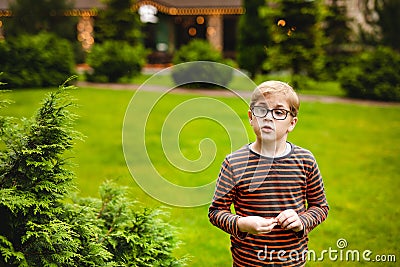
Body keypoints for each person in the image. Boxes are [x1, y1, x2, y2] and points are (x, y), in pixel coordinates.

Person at [208, 81, 329, 266]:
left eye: (279, 112)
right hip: (248, 262)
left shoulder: (305, 161)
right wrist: (242, 224)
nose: (268, 118)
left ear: (292, 123)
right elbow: (216, 212)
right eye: (261, 110)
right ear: (251, 117)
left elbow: (320, 207)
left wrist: (301, 221)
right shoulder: (234, 163)